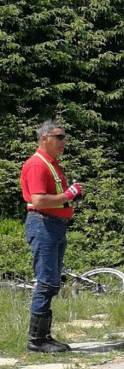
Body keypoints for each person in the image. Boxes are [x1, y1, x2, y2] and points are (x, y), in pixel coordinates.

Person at [20, 120, 84, 353]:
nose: (64, 141)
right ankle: (36, 341)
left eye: (64, 137)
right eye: (59, 137)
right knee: (46, 283)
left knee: (52, 283)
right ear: (44, 138)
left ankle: (44, 336)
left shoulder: (52, 163)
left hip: (54, 225)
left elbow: (56, 197)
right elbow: (38, 200)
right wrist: (69, 193)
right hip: (43, 225)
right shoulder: (37, 165)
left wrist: (70, 198)